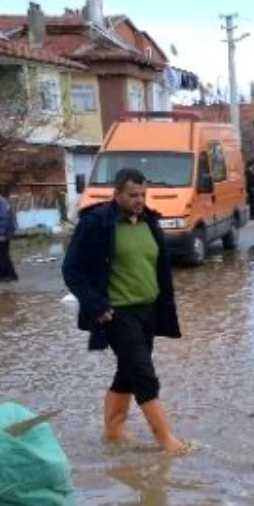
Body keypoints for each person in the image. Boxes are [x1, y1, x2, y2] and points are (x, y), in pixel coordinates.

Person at [61, 168, 189, 454]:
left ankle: (113, 432)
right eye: (133, 195)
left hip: (149, 311)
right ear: (116, 194)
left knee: (128, 372)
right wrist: (97, 305)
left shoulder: (150, 222)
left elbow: (159, 270)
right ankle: (167, 441)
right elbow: (71, 270)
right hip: (117, 314)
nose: (139, 200)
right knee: (143, 374)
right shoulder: (97, 223)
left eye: (143, 195)